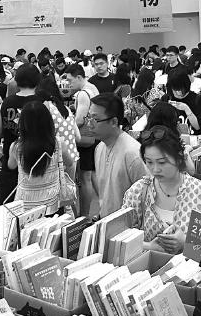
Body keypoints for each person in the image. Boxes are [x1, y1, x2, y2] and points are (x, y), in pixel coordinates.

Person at [122, 125, 201, 253]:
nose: (155, 169)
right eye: (149, 162)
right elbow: (119, 238)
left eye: (162, 162)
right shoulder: (138, 191)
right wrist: (148, 246)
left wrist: (185, 243)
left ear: (178, 158)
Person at [89, 93, 147, 218]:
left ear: (114, 122)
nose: (89, 124)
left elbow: (147, 196)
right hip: (107, 222)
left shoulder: (132, 153)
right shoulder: (100, 148)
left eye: (95, 119)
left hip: (128, 225)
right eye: (88, 117)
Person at [0, 63, 41, 205]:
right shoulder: (43, 103)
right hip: (37, 163)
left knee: (9, 206)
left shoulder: (6, 103)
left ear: (17, 80)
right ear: (37, 80)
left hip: (11, 162)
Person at [8, 101, 65, 214]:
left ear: (23, 124)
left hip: (25, 207)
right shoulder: (57, 143)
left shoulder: (16, 147)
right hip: (51, 203)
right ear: (48, 122)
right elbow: (69, 162)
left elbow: (11, 165)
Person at [64, 63, 100, 216]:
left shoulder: (83, 94)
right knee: (92, 175)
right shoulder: (93, 87)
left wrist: (67, 123)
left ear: (79, 77)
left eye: (70, 80)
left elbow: (79, 120)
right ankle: (104, 205)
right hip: (95, 135)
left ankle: (84, 215)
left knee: (85, 178)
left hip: (86, 137)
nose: (69, 84)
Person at [37, 77, 79, 178]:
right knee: (70, 187)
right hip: (72, 158)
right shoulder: (66, 109)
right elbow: (78, 137)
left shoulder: (45, 109)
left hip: (55, 162)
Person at [160, 69, 201, 134]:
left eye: (180, 90)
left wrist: (186, 108)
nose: (178, 93)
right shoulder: (166, 98)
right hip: (170, 138)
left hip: (191, 137)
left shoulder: (196, 99)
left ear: (186, 86)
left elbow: (198, 127)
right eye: (175, 90)